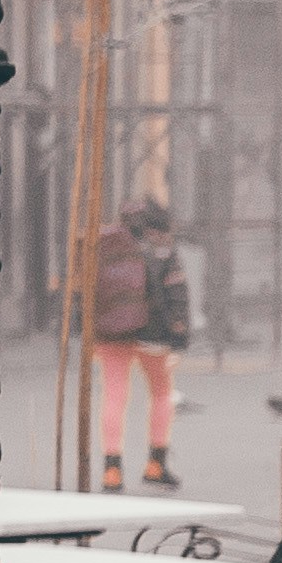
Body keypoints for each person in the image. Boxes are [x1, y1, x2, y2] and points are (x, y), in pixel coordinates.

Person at [88, 193, 192, 493]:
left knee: (114, 395)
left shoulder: (109, 246)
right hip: (153, 334)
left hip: (112, 332)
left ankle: (111, 470)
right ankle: (155, 464)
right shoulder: (163, 250)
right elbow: (177, 294)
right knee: (161, 393)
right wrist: (179, 336)